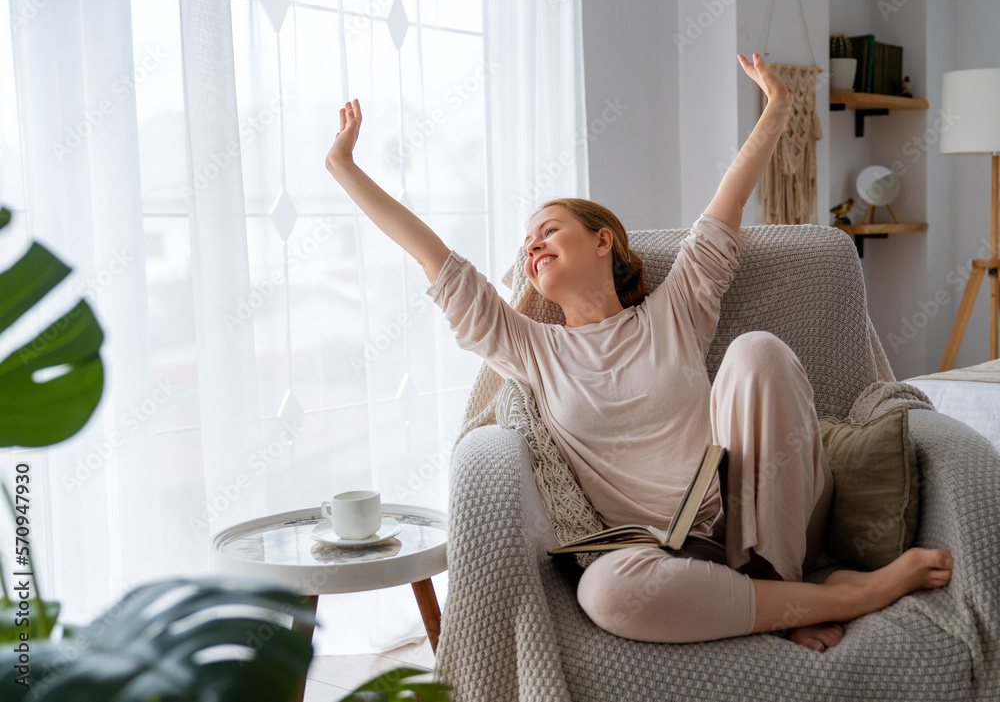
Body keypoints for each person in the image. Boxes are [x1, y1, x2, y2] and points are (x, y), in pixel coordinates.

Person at [325, 53, 953, 652]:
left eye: (550, 229)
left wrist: (777, 110)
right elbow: (435, 258)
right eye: (526, 242)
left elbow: (727, 204)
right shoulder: (528, 346)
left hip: (761, 524)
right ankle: (828, 599)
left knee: (756, 352)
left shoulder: (675, 310)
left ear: (603, 241)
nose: (533, 245)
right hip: (660, 556)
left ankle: (786, 584)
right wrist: (345, 168)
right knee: (604, 592)